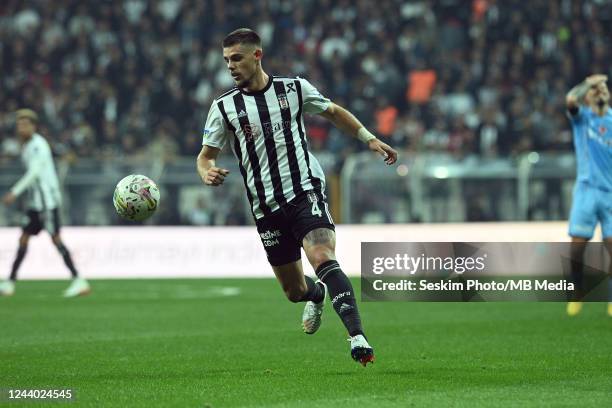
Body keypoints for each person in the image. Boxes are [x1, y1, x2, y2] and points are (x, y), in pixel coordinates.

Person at [196, 28, 398, 366]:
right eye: (226, 60)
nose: (230, 66)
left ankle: (357, 336)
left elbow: (332, 112)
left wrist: (369, 139)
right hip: (265, 208)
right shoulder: (224, 107)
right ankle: (316, 294)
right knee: (294, 291)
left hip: (304, 190)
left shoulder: (293, 89)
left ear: (257, 55)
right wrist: (206, 171)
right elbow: (205, 155)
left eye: (237, 58)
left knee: (321, 256)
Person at [0, 109, 90, 297]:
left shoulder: (37, 146)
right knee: (23, 238)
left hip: (46, 203)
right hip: (35, 204)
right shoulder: (27, 146)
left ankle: (79, 280)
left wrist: (14, 192)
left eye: (25, 124)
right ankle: (9, 282)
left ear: (34, 126)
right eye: (19, 124)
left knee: (55, 239)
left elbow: (34, 173)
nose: (21, 128)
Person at [565, 74, 612, 316]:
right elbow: (570, 99)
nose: (600, 92)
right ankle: (577, 292)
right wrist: (587, 83)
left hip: (610, 192)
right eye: (596, 90)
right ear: (589, 95)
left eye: (603, 88)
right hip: (586, 190)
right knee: (577, 247)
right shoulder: (582, 118)